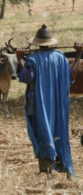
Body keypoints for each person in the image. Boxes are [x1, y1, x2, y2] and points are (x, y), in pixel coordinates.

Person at [16, 24, 83, 179]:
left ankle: (47, 169)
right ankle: (63, 165)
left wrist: (19, 58)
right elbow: (72, 75)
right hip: (58, 106)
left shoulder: (33, 58)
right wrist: (79, 54)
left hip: (38, 105)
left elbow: (27, 77)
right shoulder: (60, 57)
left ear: (36, 43)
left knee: (41, 131)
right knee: (59, 131)